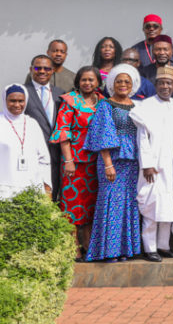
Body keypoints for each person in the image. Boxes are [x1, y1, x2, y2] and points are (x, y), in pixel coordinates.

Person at [83, 64, 141, 262]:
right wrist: (108, 163)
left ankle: (125, 249)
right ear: (112, 83)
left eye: (127, 81)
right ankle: (108, 251)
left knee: (128, 204)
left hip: (132, 161)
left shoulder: (137, 105)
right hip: (112, 160)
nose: (123, 84)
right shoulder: (106, 105)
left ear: (132, 84)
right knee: (110, 203)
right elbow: (102, 135)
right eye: (119, 81)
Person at [128, 65, 173, 262]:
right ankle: (150, 248)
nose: (165, 87)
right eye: (161, 83)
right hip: (152, 167)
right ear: (156, 85)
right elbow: (142, 138)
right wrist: (147, 164)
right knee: (151, 206)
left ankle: (164, 246)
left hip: (172, 165)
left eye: (168, 83)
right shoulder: (145, 106)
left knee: (168, 207)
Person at [50, 66, 103, 260]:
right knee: (72, 204)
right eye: (84, 80)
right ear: (78, 82)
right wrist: (69, 160)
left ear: (98, 82)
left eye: (91, 80)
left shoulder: (102, 102)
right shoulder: (70, 101)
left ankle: (88, 243)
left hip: (96, 162)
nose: (87, 83)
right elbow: (63, 133)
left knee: (90, 204)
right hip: (75, 162)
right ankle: (73, 246)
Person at [0, 84, 51, 199]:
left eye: (21, 101)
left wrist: (47, 187)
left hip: (31, 187)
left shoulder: (32, 124)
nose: (17, 105)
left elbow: (44, 159)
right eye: (12, 101)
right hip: (4, 189)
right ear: (5, 100)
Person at [25, 55, 64, 201]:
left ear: (52, 71)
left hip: (56, 152)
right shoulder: (22, 92)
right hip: (32, 152)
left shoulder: (60, 93)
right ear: (31, 70)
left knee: (53, 193)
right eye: (37, 68)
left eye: (47, 68)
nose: (42, 71)